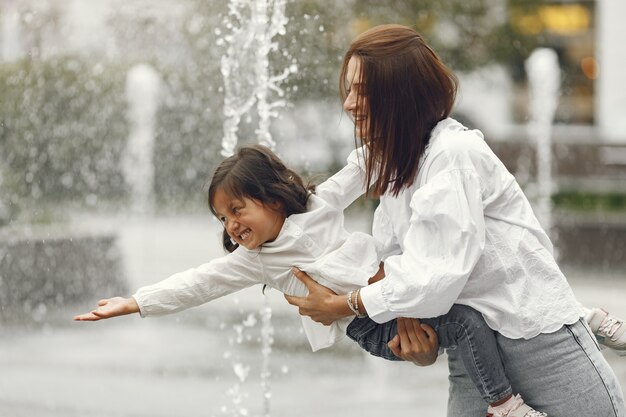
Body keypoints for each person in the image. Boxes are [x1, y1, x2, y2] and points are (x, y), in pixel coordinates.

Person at [283, 24, 626, 417]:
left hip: (540, 346)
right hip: (476, 357)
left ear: (400, 94)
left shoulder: (453, 154)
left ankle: (586, 319)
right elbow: (400, 270)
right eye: (348, 89)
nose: (348, 103)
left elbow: (434, 277)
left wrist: (345, 304)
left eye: (361, 90)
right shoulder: (397, 167)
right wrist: (421, 344)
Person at [74, 143, 543, 414]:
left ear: (272, 197)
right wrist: (137, 302)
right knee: (466, 322)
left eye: (236, 209)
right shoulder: (255, 261)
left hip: (397, 293)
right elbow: (199, 282)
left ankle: (571, 316)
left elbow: (359, 170)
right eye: (222, 219)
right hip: (374, 326)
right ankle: (503, 405)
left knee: (474, 290)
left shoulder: (318, 206)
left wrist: (387, 124)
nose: (231, 226)